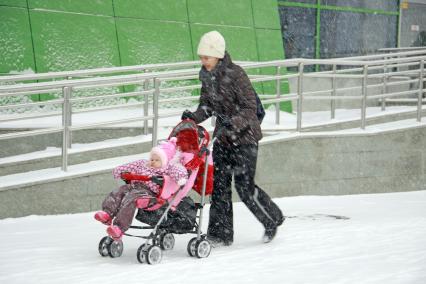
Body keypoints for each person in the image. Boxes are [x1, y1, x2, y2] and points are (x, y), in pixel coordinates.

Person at [181, 31, 284, 246]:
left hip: (245, 139)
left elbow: (250, 108)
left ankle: (272, 219)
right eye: (201, 57)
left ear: (217, 55)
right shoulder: (206, 76)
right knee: (219, 187)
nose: (203, 61)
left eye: (206, 57)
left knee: (244, 188)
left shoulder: (236, 74)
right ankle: (221, 234)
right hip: (223, 140)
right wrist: (194, 117)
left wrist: (232, 122)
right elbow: (206, 106)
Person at [94, 137, 188, 240]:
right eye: (152, 158)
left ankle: (119, 227)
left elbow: (179, 172)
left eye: (157, 160)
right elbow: (129, 166)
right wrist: (119, 171)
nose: (153, 161)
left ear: (165, 161)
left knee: (131, 198)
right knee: (119, 191)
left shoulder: (168, 168)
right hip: (134, 186)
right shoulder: (142, 164)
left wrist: (181, 179)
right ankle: (107, 213)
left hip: (149, 194)